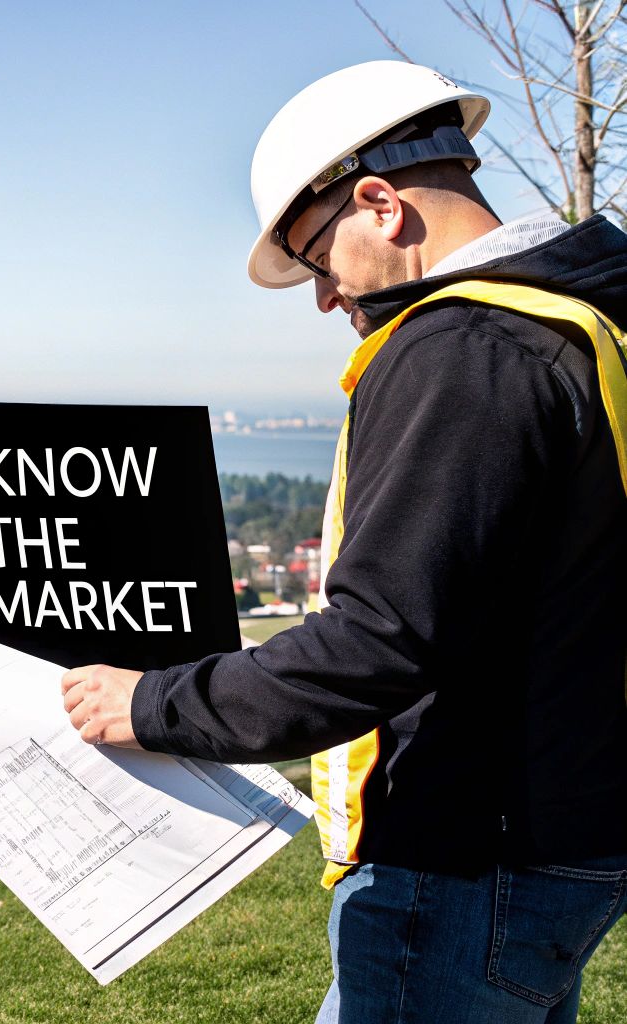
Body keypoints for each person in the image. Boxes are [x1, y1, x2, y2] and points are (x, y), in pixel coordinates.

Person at [58, 61, 627, 1023]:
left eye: (318, 263)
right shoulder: (588, 319)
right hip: (564, 831)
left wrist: (152, 703)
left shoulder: (464, 351)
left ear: (379, 203)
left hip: (463, 857)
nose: (326, 300)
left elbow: (379, 638)